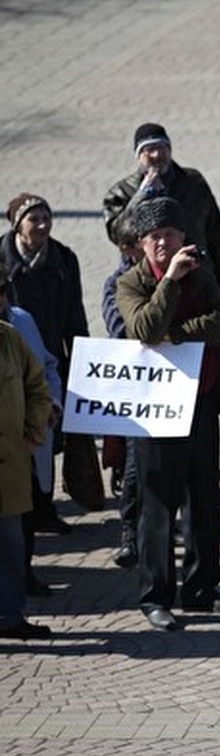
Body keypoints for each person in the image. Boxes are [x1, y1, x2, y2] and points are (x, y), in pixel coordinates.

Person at [116, 198, 220, 631]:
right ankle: (155, 596)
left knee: (204, 501)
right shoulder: (130, 283)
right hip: (155, 411)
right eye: (156, 239)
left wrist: (178, 335)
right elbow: (144, 329)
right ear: (141, 245)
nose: (166, 244)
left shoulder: (202, 273)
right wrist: (169, 281)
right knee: (157, 507)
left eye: (171, 235)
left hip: (201, 401)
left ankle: (203, 588)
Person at [2, 193, 88, 537]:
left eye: (46, 218)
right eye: (33, 219)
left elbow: (74, 313)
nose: (42, 226)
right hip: (10, 361)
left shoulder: (64, 259)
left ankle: (44, 506)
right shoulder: (2, 259)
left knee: (49, 435)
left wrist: (81, 355)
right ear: (17, 225)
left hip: (50, 357)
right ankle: (22, 508)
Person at [104, 122, 220, 298]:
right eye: (149, 150)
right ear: (138, 155)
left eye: (161, 148)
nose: (157, 155)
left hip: (197, 280)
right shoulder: (121, 192)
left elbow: (216, 237)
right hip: (149, 286)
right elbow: (119, 236)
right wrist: (141, 195)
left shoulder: (193, 183)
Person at [0, 258, 61, 596]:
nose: (2, 300)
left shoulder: (18, 326)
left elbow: (43, 373)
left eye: (4, 291)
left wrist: (43, 419)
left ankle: (15, 598)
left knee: (19, 527)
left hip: (20, 452)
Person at [0, 316, 53, 639]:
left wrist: (34, 434)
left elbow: (37, 385)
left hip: (9, 466)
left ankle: (9, 616)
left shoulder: (9, 338)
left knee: (10, 546)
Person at [101, 221, 143, 568]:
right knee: (133, 468)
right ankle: (130, 535)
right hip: (136, 386)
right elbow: (121, 328)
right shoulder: (117, 284)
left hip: (170, 387)